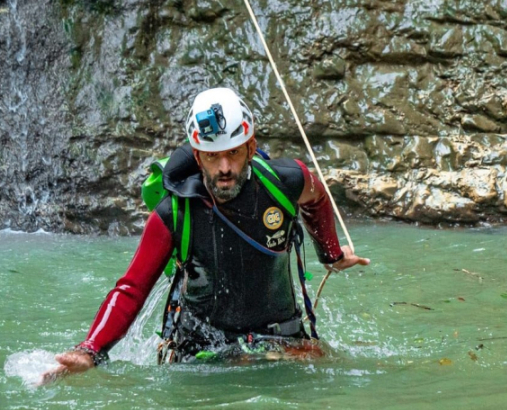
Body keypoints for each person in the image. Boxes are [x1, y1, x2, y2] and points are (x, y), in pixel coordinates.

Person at [40, 87, 370, 384]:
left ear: (251, 147)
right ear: (198, 156)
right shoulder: (173, 214)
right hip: (203, 352)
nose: (224, 167)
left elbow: (318, 198)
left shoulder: (287, 181)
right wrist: (90, 349)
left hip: (282, 339)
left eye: (234, 153)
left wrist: (331, 255)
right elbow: (131, 288)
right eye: (212, 156)